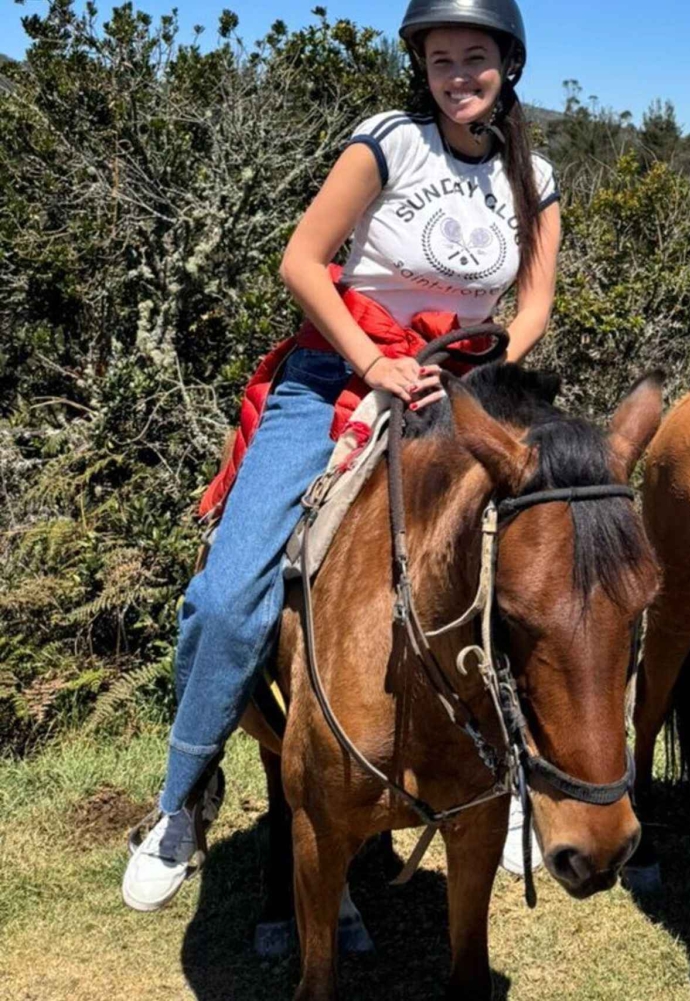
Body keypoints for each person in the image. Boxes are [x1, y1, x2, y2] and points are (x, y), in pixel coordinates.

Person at [121, 0, 560, 911]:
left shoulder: (536, 177)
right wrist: (376, 363)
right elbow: (303, 261)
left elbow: (532, 306)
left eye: (474, 58)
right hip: (336, 374)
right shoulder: (386, 142)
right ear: (423, 69)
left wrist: (481, 373)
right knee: (229, 590)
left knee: (562, 562)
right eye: (440, 60)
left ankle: (526, 780)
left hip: (459, 387)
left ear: (507, 65)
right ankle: (185, 795)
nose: (457, 75)